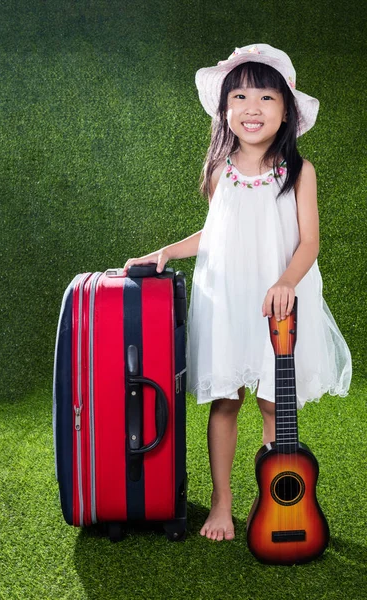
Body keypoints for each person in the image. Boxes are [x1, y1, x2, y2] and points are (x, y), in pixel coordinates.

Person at [122, 44, 352, 542]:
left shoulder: (299, 172)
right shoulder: (219, 170)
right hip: (226, 298)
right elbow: (218, 235)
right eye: (241, 95)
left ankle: (271, 498)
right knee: (226, 400)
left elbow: (309, 241)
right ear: (225, 109)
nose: (253, 107)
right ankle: (222, 503)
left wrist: (286, 281)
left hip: (279, 301)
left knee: (274, 404)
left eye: (266, 96)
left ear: (286, 109)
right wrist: (167, 250)